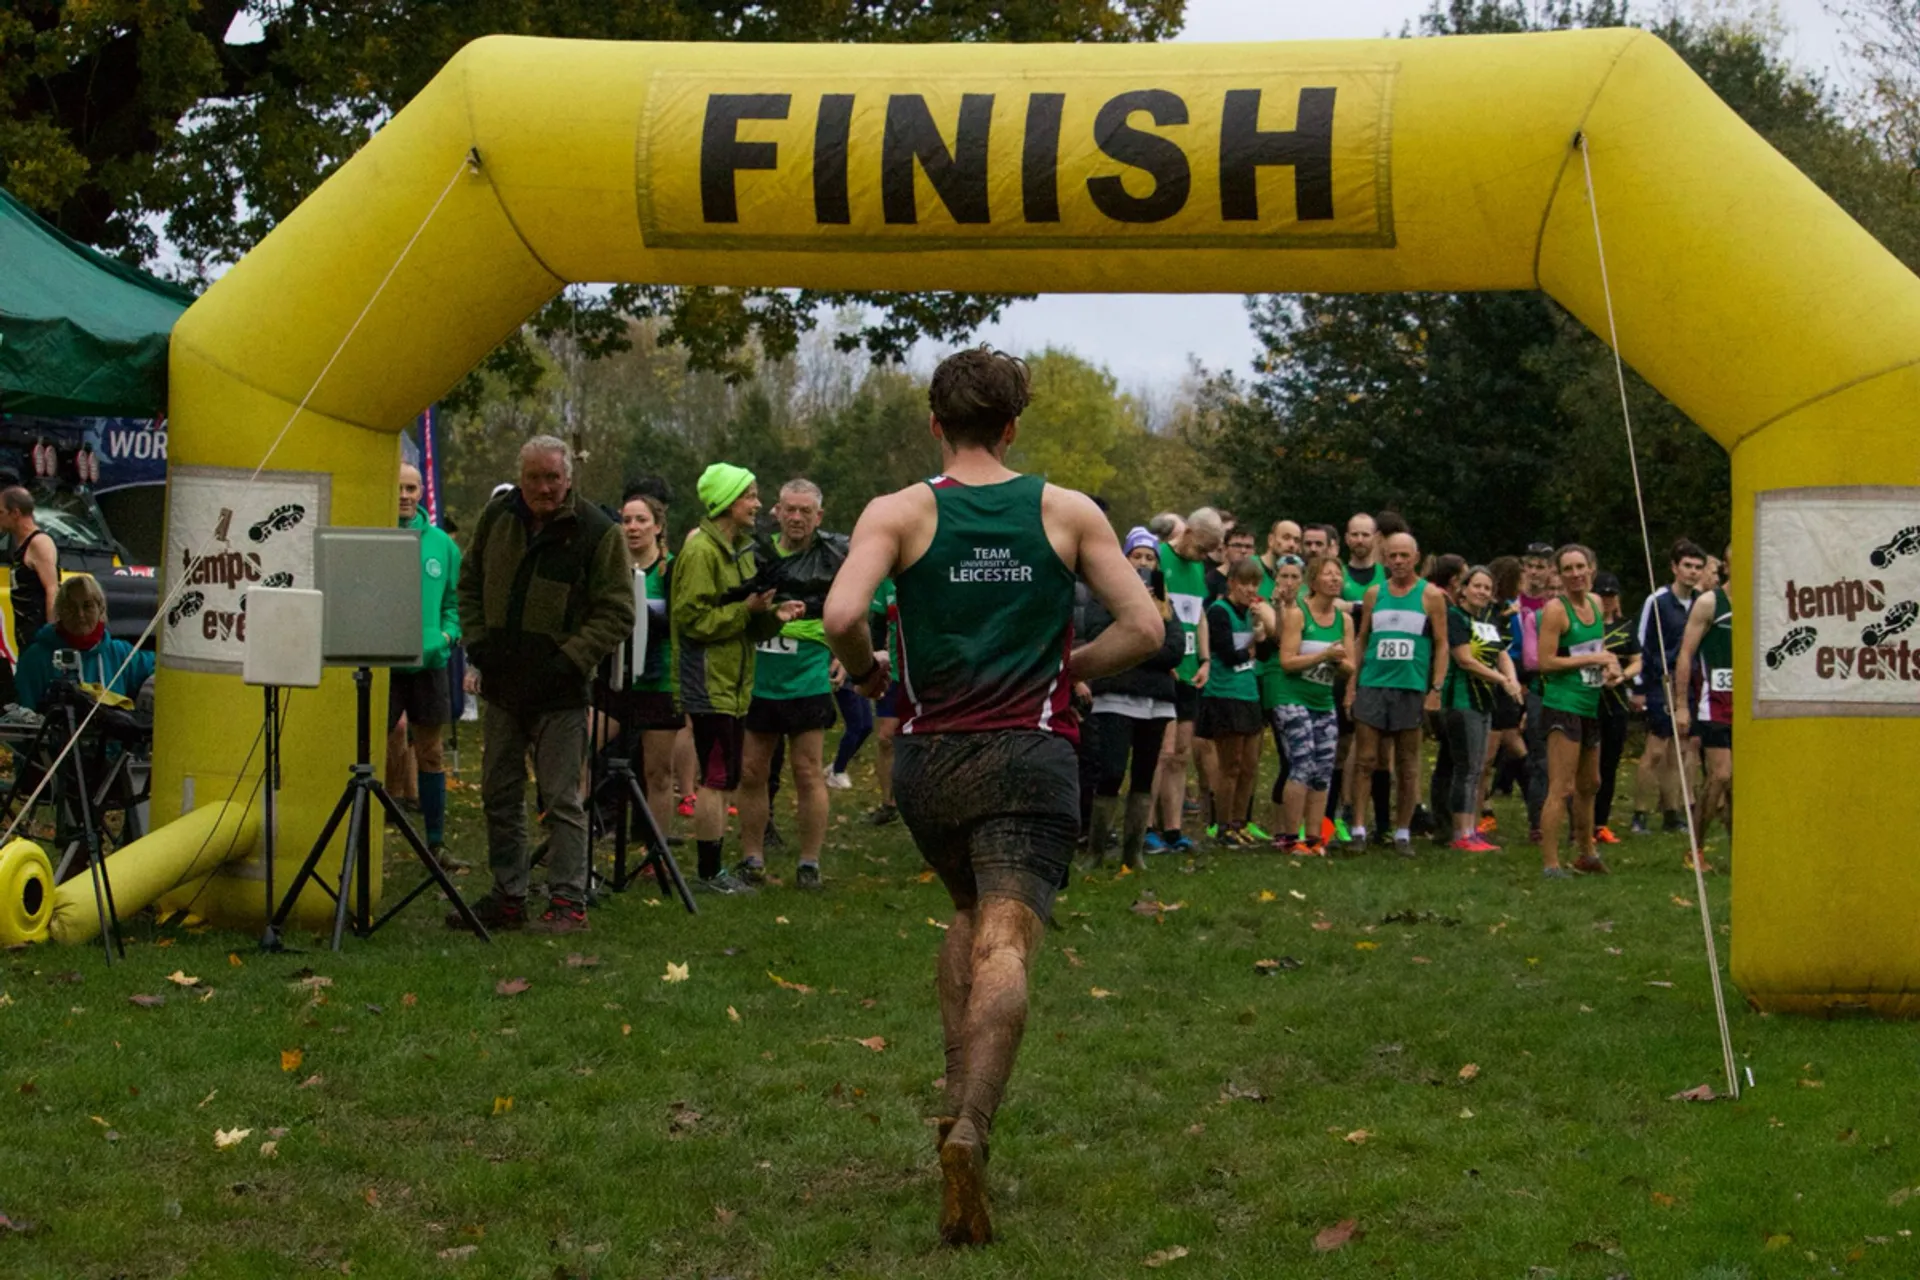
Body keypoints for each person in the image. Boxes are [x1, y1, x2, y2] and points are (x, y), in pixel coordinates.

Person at [822, 346, 1160, 1248]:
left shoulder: (898, 512)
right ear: (1013, 426)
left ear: (936, 422)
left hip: (931, 764)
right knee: (1008, 936)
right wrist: (1070, 671)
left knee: (969, 915)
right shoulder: (1064, 509)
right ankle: (974, 1123)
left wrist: (868, 677)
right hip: (1033, 753)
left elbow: (842, 616)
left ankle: (950, 1097)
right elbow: (1147, 627)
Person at [456, 435, 635, 932]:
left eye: (553, 477)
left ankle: (567, 902)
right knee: (498, 792)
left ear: (568, 478)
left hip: (560, 691)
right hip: (501, 685)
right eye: (534, 477)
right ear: (521, 477)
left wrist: (570, 658)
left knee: (561, 798)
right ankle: (509, 896)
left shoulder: (598, 532)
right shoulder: (497, 519)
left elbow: (619, 610)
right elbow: (468, 583)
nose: (544, 487)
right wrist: (477, 641)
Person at [670, 462, 805, 894]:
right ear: (727, 502)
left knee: (722, 777)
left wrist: (773, 617)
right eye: (750, 495)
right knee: (716, 779)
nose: (758, 504)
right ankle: (709, 875)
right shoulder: (700, 553)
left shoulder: (738, 550)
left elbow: (745, 620)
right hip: (708, 681)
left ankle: (713, 870)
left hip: (734, 680)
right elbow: (691, 619)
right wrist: (745, 611)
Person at [736, 479, 837, 891]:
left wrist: (841, 653)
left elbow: (849, 610)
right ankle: (752, 857)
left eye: (805, 511)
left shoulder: (834, 556)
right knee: (752, 770)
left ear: (819, 516)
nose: (796, 518)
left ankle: (809, 862)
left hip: (808, 674)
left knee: (807, 770)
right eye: (789, 509)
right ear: (777, 511)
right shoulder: (756, 552)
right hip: (761, 675)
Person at [1082, 528, 1185, 869]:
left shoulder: (1166, 606)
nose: (1142, 563)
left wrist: (1135, 645)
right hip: (1114, 697)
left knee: (1144, 773)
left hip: (1156, 702)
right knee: (1110, 771)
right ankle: (1096, 851)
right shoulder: (1104, 598)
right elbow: (1100, 638)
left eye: (1149, 557)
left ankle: (1133, 851)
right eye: (1136, 556)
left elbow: (1173, 649)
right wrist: (1139, 640)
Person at [1346, 530, 1448, 856]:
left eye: (1405, 556)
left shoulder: (1430, 595)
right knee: (1365, 759)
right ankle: (1359, 828)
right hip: (1374, 684)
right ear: (1384, 559)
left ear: (1416, 558)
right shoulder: (1375, 593)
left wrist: (1436, 687)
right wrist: (1353, 683)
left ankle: (1403, 831)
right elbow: (1363, 639)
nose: (1399, 561)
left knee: (1407, 763)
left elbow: (1442, 644)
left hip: (1410, 687)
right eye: (1393, 556)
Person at [594, 487, 682, 845]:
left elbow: (682, 624)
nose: (632, 527)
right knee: (579, 753)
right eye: (626, 520)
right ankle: (579, 836)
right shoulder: (608, 569)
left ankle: (655, 852)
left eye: (641, 520)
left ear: (658, 526)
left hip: (658, 682)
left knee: (657, 772)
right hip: (611, 679)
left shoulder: (672, 570)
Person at [385, 463, 462, 866]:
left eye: (411, 487)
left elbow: (455, 602)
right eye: (397, 487)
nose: (404, 495)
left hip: (429, 663)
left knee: (430, 752)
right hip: (382, 663)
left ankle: (436, 844)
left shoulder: (442, 545)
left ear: (421, 493)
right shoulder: (372, 538)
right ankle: (362, 837)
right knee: (372, 749)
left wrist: (446, 636)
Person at [1535, 544, 1623, 879]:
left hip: (1590, 702)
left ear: (1592, 569)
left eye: (1579, 567)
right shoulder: (1556, 611)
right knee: (1562, 787)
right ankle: (1551, 863)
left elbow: (1597, 650)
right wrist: (1593, 661)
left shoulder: (1597, 604)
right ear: (1559, 575)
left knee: (1591, 783)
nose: (1575, 575)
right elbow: (1545, 663)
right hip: (1562, 705)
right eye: (1567, 569)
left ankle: (1587, 853)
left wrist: (1610, 668)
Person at [1148, 507, 1223, 854]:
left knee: (1180, 753)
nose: (1204, 556)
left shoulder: (1198, 569)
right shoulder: (1159, 558)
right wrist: (1163, 657)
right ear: (1189, 532)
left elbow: (1200, 616)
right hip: (1165, 668)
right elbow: (1150, 610)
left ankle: (1174, 829)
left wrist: (1206, 659)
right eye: (1202, 547)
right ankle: (1147, 826)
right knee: (1160, 753)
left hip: (1191, 671)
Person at [1433, 563, 1521, 852]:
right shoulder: (1456, 617)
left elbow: (1502, 653)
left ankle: (1471, 830)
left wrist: (1512, 678)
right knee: (1466, 767)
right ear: (1464, 589)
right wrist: (1502, 680)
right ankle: (1461, 832)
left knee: (1478, 766)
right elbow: (1465, 660)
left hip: (1484, 702)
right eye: (1477, 586)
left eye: (1487, 587)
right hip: (1461, 700)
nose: (1482, 592)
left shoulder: (1489, 620)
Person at [1271, 555, 1354, 856]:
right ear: (1315, 581)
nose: (1334, 579)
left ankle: (1315, 838)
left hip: (1322, 699)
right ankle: (1291, 838)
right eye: (1328, 574)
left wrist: (1339, 660)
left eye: (1338, 574)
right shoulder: (1298, 614)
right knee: (1302, 763)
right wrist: (1322, 656)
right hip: (1291, 696)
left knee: (1324, 768)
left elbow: (1351, 665)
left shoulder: (1345, 620)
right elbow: (1286, 661)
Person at [1630, 539, 1707, 835]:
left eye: (1698, 567)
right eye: (1687, 566)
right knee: (1656, 749)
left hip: (1690, 683)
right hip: (1660, 680)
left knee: (1681, 749)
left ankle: (1672, 812)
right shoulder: (1658, 601)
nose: (1692, 572)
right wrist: (1638, 686)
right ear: (1675, 568)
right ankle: (1640, 813)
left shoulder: (1702, 601)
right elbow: (1641, 640)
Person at [1196, 558, 1267, 846]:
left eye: (1255, 583)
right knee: (1231, 764)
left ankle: (1241, 822)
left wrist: (1259, 637)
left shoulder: (1253, 613)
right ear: (1232, 583)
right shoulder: (1218, 611)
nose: (1250, 589)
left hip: (1249, 692)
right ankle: (1223, 825)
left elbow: (1265, 653)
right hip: (1224, 694)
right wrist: (1252, 648)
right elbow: (1227, 653)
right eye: (1245, 583)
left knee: (1250, 764)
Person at [1672, 546, 1733, 874]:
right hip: (1716, 704)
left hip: (1750, 708)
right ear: (1726, 566)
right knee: (1721, 774)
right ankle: (1695, 846)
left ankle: (1740, 850)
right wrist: (1682, 705)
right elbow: (1685, 654)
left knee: (1740, 784)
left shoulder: (1763, 603)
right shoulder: (1710, 603)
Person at [14, 574, 155, 711]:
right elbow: (22, 716)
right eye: (71, 607)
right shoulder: (35, 658)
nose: (80, 614)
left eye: (87, 606)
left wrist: (150, 687)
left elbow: (160, 666)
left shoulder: (120, 654)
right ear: (59, 612)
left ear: (101, 609)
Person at [1592, 571, 1643, 845]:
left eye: (1612, 595)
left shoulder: (1625, 626)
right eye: (1603, 595)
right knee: (1586, 766)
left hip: (1616, 700)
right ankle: (1581, 823)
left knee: (1609, 764)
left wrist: (1622, 677)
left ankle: (1601, 823)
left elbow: (1637, 660)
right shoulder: (1586, 625)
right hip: (1588, 699)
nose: (1608, 600)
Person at [1511, 542, 1557, 843]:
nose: (1536, 572)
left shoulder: (1554, 602)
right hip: (1518, 678)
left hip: (1549, 680)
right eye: (1531, 566)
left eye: (1542, 566)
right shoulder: (1514, 602)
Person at [1479, 555, 1527, 831]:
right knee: (1490, 751)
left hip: (1510, 683)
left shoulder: (1511, 611)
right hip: (1493, 685)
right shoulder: (1490, 612)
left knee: (1513, 741)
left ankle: (1534, 794)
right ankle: (1484, 806)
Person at [2, 486, 59, 663]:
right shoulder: (19, 544)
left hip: (38, 636)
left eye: (1, 512)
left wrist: (50, 635)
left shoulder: (39, 543)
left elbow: (52, 589)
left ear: (15, 513)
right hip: (24, 634)